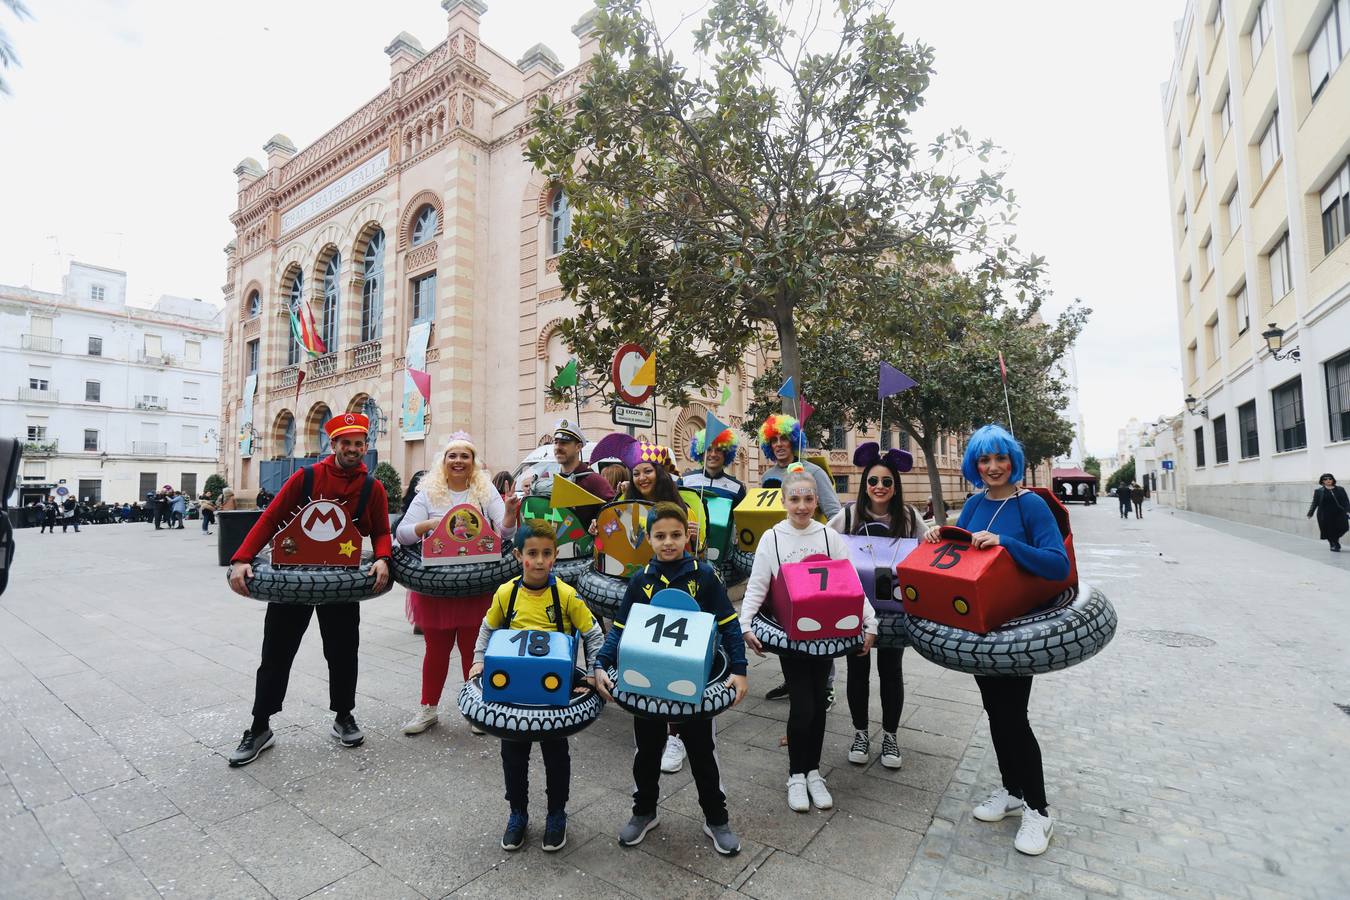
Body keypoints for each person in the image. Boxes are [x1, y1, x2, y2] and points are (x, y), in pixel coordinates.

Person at [923, 424, 1069, 856]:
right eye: (984, 460)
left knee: (1013, 718)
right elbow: (960, 556)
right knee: (995, 713)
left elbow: (1056, 564)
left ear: (1013, 461)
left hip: (1016, 630)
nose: (991, 467)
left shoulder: (1031, 506)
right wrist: (940, 535)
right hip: (980, 630)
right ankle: (1011, 791)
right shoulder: (971, 505)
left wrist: (1005, 543)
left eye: (999, 459)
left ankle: (1039, 811)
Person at [225, 413, 392, 767]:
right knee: (276, 654)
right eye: (345, 442)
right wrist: (242, 558)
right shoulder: (307, 478)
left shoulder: (371, 488)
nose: (352, 449)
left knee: (344, 651)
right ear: (333, 445)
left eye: (359, 443)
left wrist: (383, 558)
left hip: (340, 582)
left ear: (366, 446)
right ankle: (260, 726)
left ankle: (343, 716)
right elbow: (271, 517)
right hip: (292, 577)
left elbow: (380, 530)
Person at [592, 502, 749, 856]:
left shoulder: (705, 576)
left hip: (696, 682)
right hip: (646, 680)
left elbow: (728, 625)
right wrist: (602, 661)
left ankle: (716, 817)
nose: (668, 542)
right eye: (660, 536)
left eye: (675, 535)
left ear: (686, 535)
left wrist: (739, 669)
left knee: (702, 752)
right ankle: (644, 811)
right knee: (646, 752)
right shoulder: (640, 580)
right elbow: (620, 629)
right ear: (648, 538)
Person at [741, 464, 877, 812]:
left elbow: (851, 584)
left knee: (818, 704)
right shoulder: (773, 538)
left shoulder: (830, 537)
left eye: (808, 498)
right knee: (802, 704)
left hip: (827, 632)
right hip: (792, 636)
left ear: (817, 500)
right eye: (795, 499)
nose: (801, 506)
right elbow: (758, 584)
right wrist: (745, 623)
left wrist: (869, 622)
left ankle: (814, 771)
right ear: (784, 500)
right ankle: (796, 775)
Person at [469, 519, 604, 853]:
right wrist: (479, 660)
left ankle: (557, 813)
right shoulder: (507, 592)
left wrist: (594, 670)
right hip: (513, 687)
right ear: (518, 556)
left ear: (556, 556)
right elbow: (488, 628)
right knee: (513, 751)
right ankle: (517, 812)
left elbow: (593, 633)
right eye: (533, 554)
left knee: (555, 752)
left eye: (547, 553)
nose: (540, 561)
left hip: (555, 688)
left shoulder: (566, 594)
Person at [398, 435, 519, 736]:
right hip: (438, 588)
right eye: (453, 455)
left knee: (472, 648)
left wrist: (509, 515)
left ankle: (476, 705)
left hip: (476, 585)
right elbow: (402, 533)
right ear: (444, 460)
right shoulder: (428, 493)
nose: (458, 461)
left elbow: (504, 533)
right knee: (435, 650)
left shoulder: (484, 490)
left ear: (473, 462)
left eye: (465, 456)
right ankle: (428, 708)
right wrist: (428, 526)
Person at [826, 443, 925, 770]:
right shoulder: (850, 514)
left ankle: (891, 736)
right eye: (873, 481)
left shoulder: (909, 516)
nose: (879, 487)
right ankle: (860, 733)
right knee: (857, 671)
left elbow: (927, 548)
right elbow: (824, 542)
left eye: (886, 482)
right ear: (864, 483)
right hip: (855, 609)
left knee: (891, 672)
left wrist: (936, 533)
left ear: (895, 487)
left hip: (894, 612)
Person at [757, 414, 841, 704]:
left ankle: (826, 686)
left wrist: (827, 549)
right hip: (779, 562)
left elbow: (834, 512)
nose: (780, 444)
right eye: (774, 440)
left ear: (794, 441)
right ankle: (792, 681)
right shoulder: (767, 477)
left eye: (784, 438)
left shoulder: (812, 472)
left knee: (819, 622)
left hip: (812, 563)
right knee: (782, 620)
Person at [549, 419, 614, 527]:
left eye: (564, 443)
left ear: (578, 447)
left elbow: (613, 513)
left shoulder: (594, 480)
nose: (558, 447)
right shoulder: (551, 479)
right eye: (556, 442)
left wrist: (597, 523)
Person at [680, 425, 748, 508]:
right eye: (708, 449)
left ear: (726, 454)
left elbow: (741, 519)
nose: (713, 454)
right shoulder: (684, 481)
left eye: (718, 450)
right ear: (701, 453)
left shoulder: (737, 487)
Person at [1307, 473, 1349, 552]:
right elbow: (1315, 503)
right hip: (1325, 513)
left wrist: (1348, 510)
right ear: (1322, 481)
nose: (1328, 480)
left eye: (1330, 478)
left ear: (1333, 480)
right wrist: (1310, 513)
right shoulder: (1319, 491)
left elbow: (1346, 501)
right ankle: (1333, 544)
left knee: (1344, 527)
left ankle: (1335, 540)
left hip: (1339, 513)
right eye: (1325, 479)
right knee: (1329, 529)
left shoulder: (1340, 489)